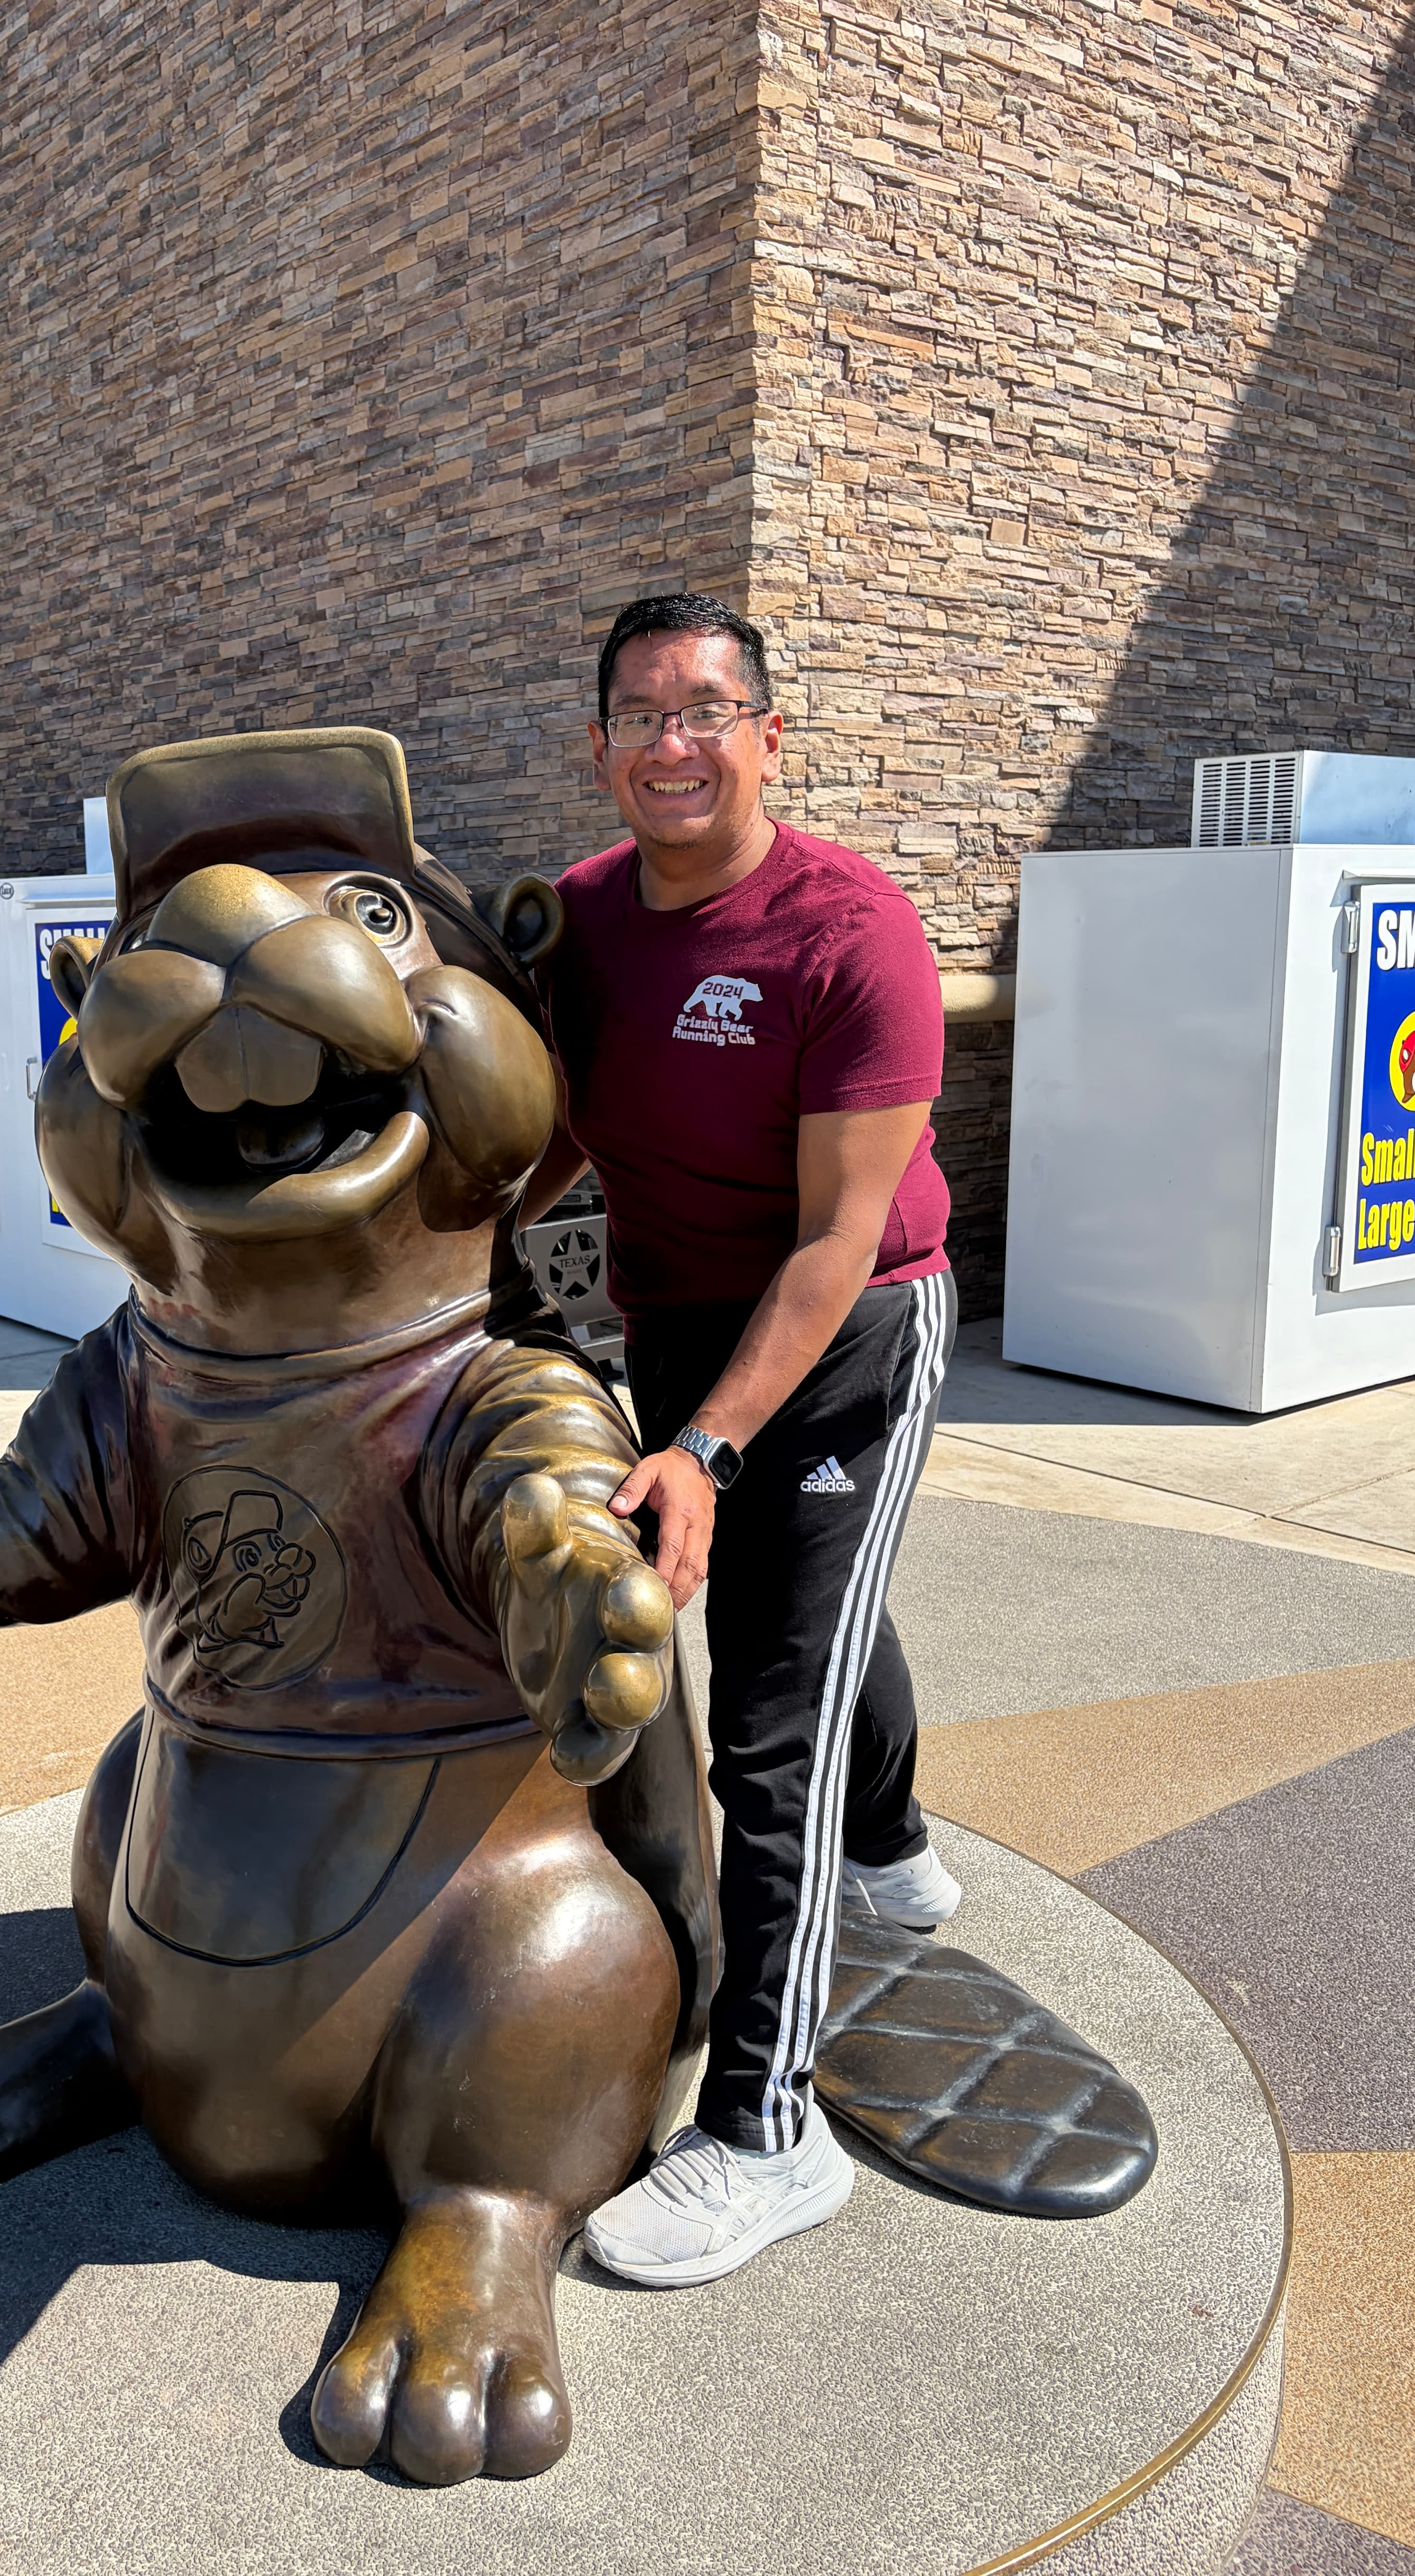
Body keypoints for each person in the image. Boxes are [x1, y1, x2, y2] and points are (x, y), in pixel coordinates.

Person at [526, 589, 961, 2291]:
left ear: (770, 736)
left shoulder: (853, 934)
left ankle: (771, 2139)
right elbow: (550, 1127)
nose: (673, 742)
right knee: (825, 1602)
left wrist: (704, 1449)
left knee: (769, 1720)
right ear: (602, 748)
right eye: (641, 714)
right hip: (683, 1314)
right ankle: (901, 1852)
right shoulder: (580, 922)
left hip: (850, 1329)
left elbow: (839, 1237)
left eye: (707, 710)